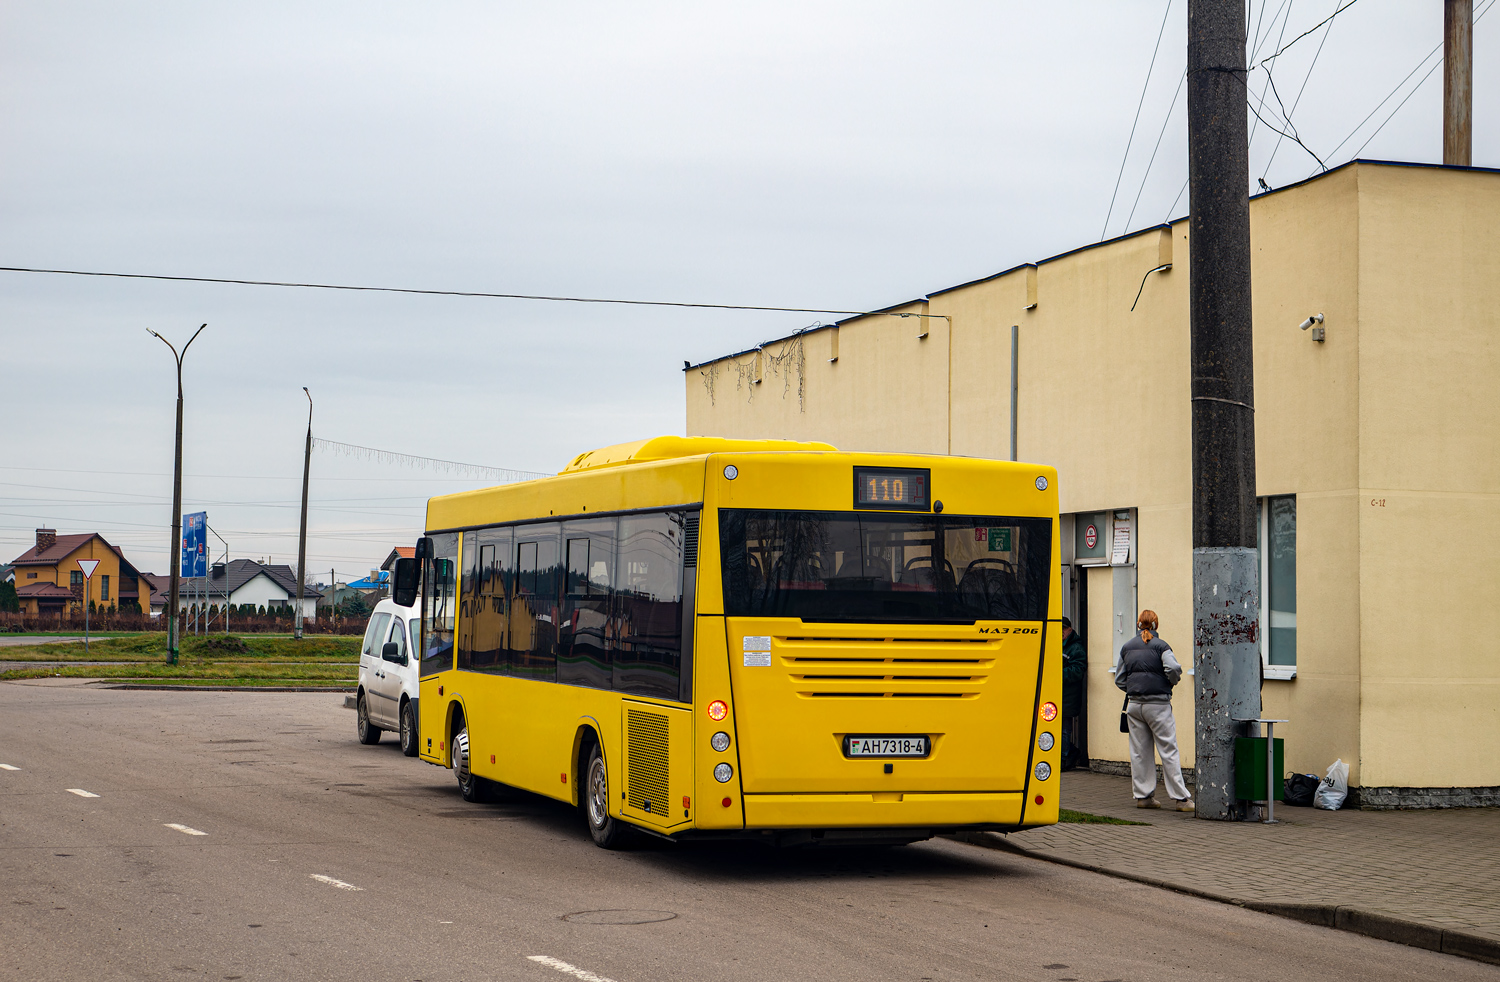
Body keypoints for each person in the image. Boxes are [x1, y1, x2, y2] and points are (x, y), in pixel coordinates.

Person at [1114, 609, 1193, 811]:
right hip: (1158, 705)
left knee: (1139, 752)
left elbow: (1119, 678)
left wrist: (1134, 689)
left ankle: (1144, 797)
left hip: (1134, 705)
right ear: (1156, 625)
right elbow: (1174, 669)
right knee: (1168, 750)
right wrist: (1170, 684)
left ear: (1139, 624)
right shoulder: (1162, 646)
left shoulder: (1127, 647)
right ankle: (1181, 799)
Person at [1059, 617, 1087, 770]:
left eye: (1064, 629)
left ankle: (1064, 758)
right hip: (1059, 695)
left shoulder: (1076, 648)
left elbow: (1078, 671)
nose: (1061, 632)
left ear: (1070, 629)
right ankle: (1070, 753)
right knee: (1057, 730)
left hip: (1068, 696)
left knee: (1064, 729)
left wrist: (1057, 674)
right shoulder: (1058, 645)